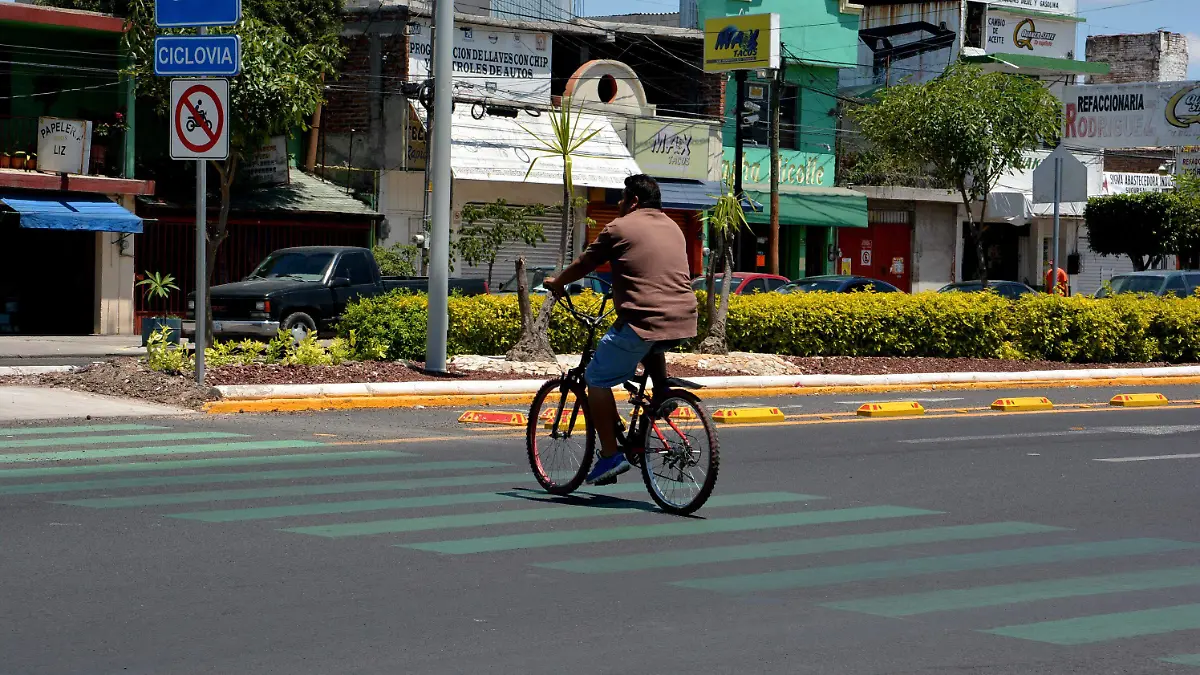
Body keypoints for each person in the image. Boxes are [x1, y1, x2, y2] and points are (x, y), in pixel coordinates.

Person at [544, 174, 698, 484]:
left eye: (622, 198)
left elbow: (585, 264)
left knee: (596, 378)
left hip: (642, 319)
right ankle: (662, 394)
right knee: (651, 343)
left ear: (634, 202)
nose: (618, 203)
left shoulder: (620, 228)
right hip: (684, 318)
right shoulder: (674, 227)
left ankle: (611, 456)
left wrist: (558, 282)